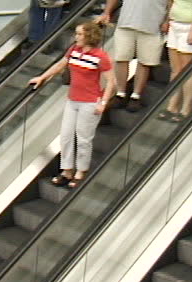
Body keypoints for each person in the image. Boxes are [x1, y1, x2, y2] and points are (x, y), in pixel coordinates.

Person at [29, 21, 115, 188]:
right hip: (73, 100)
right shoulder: (74, 50)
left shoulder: (100, 56)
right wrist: (42, 77)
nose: (76, 37)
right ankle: (67, 170)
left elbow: (111, 81)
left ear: (89, 36)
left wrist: (103, 103)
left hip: (90, 102)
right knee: (66, 136)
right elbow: (60, 65)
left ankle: (81, 171)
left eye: (80, 34)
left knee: (84, 139)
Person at [96, 0, 170, 112]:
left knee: (145, 62)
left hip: (152, 26)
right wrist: (107, 12)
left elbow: (171, 3)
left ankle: (136, 96)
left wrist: (167, 20)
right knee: (121, 58)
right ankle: (120, 93)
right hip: (126, 23)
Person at [158, 0, 192, 122]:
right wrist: (167, 19)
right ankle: (172, 106)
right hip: (175, 24)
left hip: (190, 25)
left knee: (187, 70)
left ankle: (186, 108)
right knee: (175, 69)